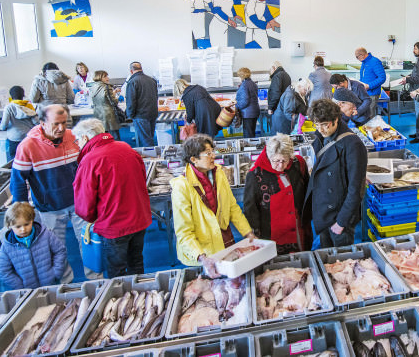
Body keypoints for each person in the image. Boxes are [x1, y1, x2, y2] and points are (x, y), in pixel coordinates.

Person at [10, 104, 98, 281]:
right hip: (49, 207)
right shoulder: (27, 146)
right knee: (57, 250)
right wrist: (21, 211)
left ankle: (96, 281)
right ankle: (66, 285)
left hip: (80, 204)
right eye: (56, 124)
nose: (61, 128)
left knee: (89, 244)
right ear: (42, 122)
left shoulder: (73, 138)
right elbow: (18, 181)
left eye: (64, 123)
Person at [73, 119, 152, 278]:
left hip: (114, 225)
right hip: (139, 219)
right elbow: (143, 178)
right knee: (136, 263)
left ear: (85, 138)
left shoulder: (90, 160)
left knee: (117, 271)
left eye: (77, 140)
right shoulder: (126, 148)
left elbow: (84, 203)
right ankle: (141, 297)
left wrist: (93, 218)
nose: (77, 144)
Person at [170, 134, 254, 268]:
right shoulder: (182, 186)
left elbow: (232, 207)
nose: (213, 156)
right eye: (208, 153)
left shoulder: (218, 173)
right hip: (203, 252)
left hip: (224, 241)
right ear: (194, 159)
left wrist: (247, 232)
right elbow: (183, 231)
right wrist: (201, 256)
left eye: (213, 152)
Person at [303, 99, 367, 248]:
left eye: (325, 124)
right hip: (323, 213)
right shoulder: (320, 137)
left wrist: (341, 222)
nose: (321, 129)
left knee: (341, 261)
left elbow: (356, 189)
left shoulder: (353, 145)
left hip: (339, 217)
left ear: (336, 119)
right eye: (317, 124)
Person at [244, 134, 311, 255]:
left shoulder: (298, 164)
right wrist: (253, 233)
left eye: (284, 160)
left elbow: (307, 190)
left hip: (296, 228)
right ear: (269, 156)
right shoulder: (255, 174)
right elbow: (250, 207)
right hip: (271, 233)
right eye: (276, 161)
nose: (280, 165)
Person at [0, 202, 67, 289]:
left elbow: (60, 251)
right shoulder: (7, 246)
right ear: (10, 225)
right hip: (26, 292)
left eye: (26, 224)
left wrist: (56, 272)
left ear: (32, 220)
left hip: (50, 286)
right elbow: (3, 271)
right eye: (18, 227)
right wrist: (19, 285)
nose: (23, 229)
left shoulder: (46, 235)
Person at [125, 61, 159, 147]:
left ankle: (152, 158)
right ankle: (154, 156)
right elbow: (156, 96)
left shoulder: (132, 82)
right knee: (150, 137)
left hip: (140, 115)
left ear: (131, 71)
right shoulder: (151, 80)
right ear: (141, 68)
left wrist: (130, 115)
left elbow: (131, 101)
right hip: (152, 113)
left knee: (146, 140)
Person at [0, 85, 38, 157]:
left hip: (15, 138)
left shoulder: (9, 107)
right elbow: (36, 122)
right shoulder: (29, 106)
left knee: (15, 158)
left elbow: (4, 124)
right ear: (23, 95)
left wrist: (1, 128)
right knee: (30, 157)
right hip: (28, 136)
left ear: (11, 96)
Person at [88, 70, 121, 140]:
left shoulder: (93, 87)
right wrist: (116, 98)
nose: (107, 78)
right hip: (108, 114)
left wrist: (113, 93)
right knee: (115, 137)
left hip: (98, 113)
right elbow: (114, 102)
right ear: (99, 77)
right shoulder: (106, 87)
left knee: (104, 137)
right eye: (105, 76)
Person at [355, 47, 386, 119]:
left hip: (372, 93)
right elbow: (364, 77)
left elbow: (382, 78)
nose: (357, 59)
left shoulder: (375, 62)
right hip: (365, 93)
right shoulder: (364, 62)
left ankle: (370, 129)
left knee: (369, 115)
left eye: (357, 57)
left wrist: (369, 86)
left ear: (362, 55)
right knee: (364, 114)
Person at [235, 67, 260, 138]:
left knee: (248, 135)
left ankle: (249, 148)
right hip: (254, 111)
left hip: (248, 113)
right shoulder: (253, 83)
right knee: (251, 132)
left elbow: (245, 100)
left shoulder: (244, 85)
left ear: (241, 75)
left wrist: (237, 105)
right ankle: (252, 146)